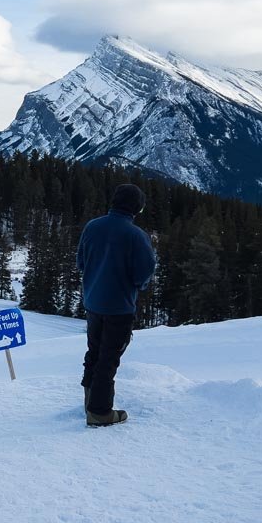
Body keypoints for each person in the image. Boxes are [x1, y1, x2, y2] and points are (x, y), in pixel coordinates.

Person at [76, 183, 156, 428]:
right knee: (108, 359)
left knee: (94, 353)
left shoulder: (92, 226)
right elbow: (145, 271)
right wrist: (134, 285)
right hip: (119, 307)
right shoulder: (135, 235)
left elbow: (81, 261)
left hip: (93, 303)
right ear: (137, 208)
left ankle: (90, 402)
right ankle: (100, 412)